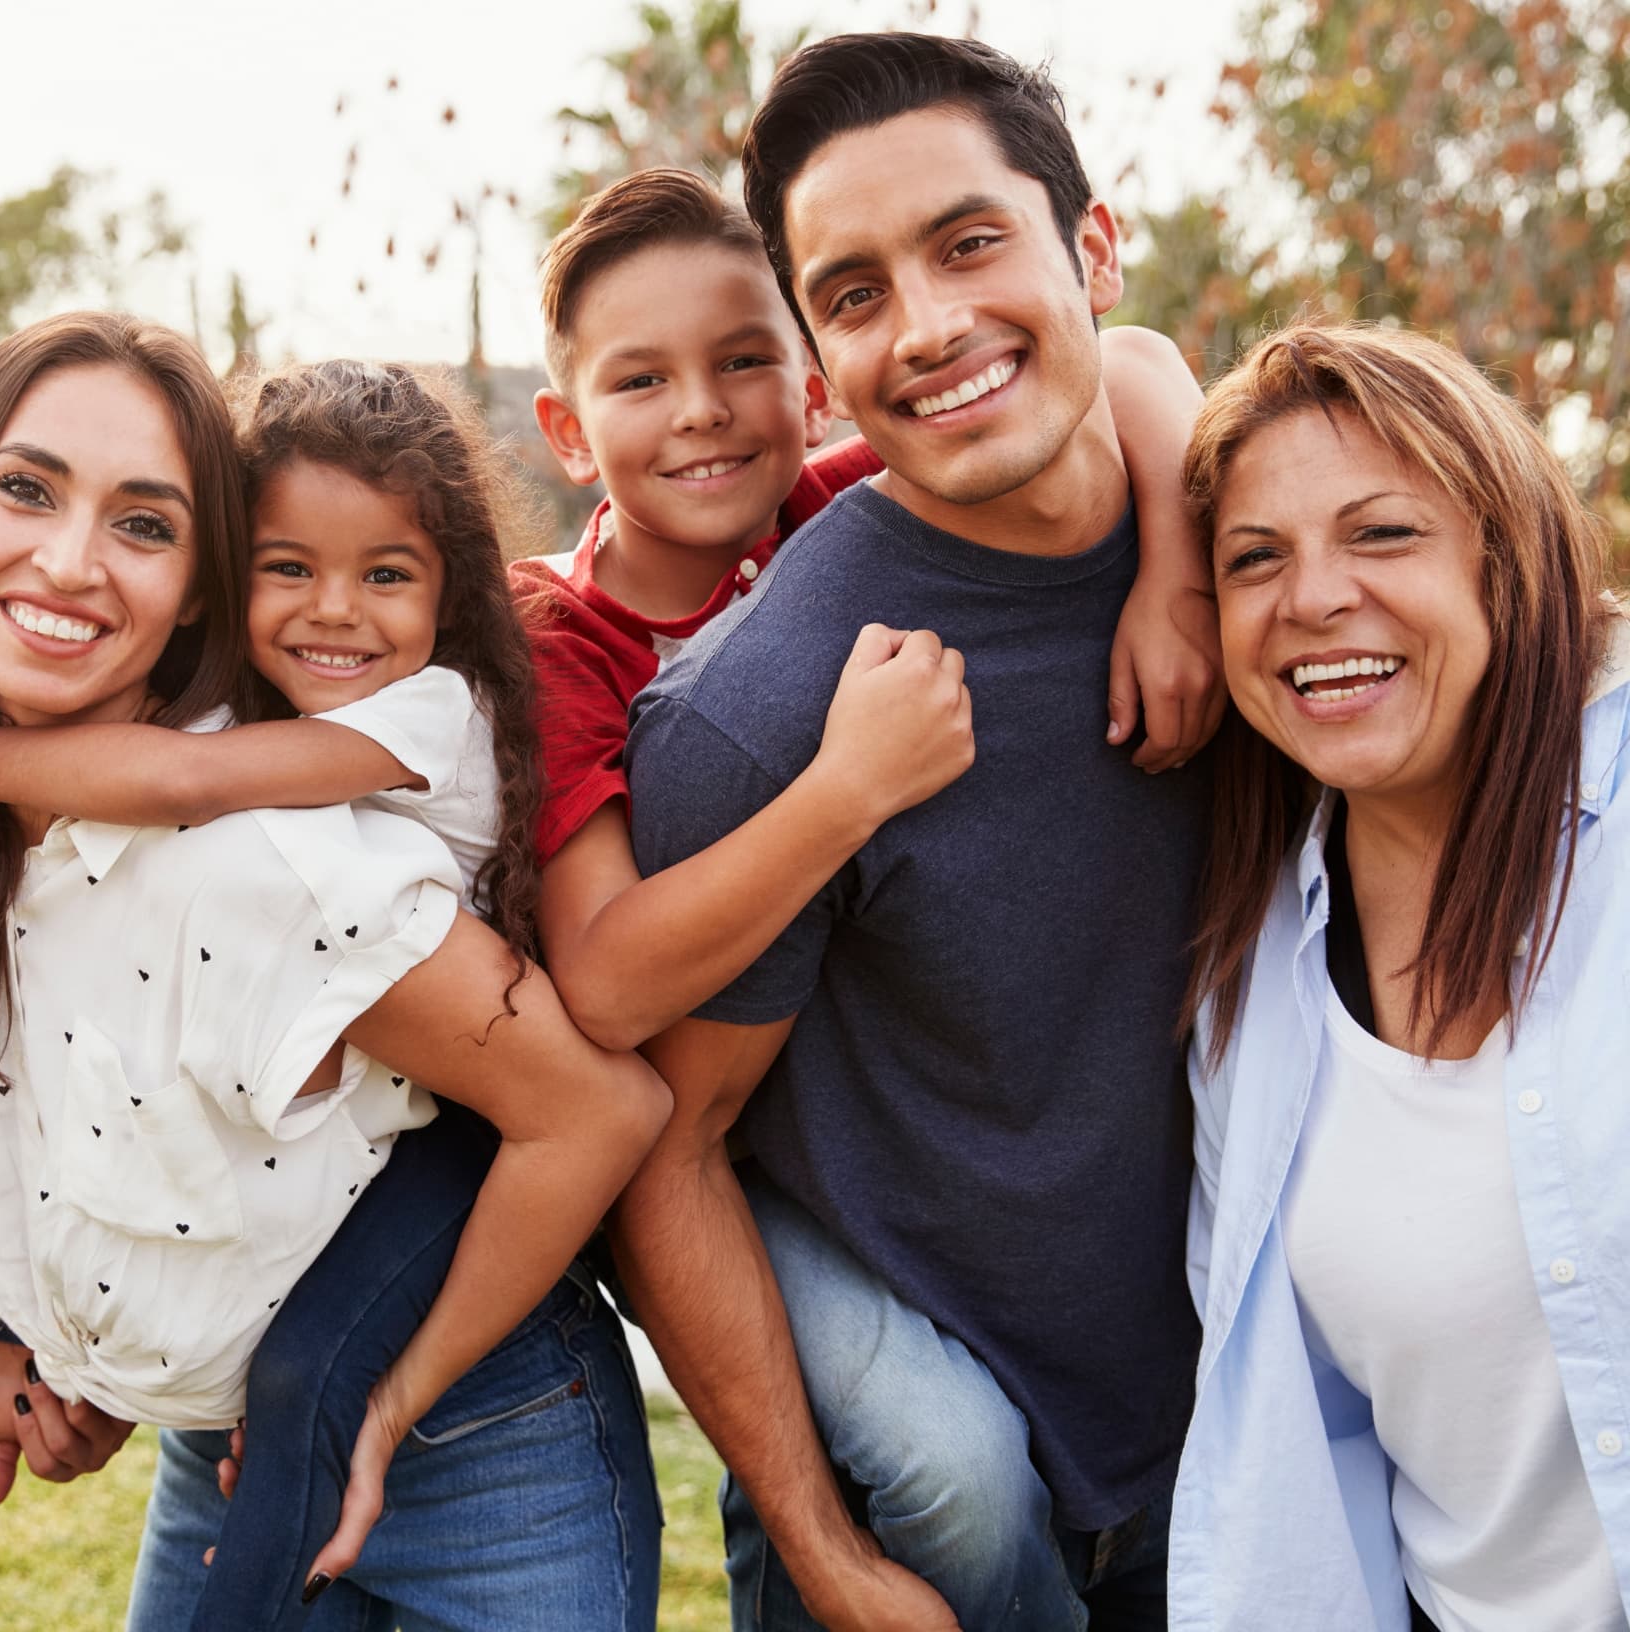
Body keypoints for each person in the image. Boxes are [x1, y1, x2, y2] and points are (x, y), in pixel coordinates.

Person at [0, 333, 674, 1632]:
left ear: (194, 589)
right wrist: (75, 1373)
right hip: (230, 1423)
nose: (69, 559)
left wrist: (381, 1407)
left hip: (476, 1438)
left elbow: (598, 1109)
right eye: (26, 489)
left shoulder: (270, 862)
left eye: (143, 523)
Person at [614, 34, 1221, 1632]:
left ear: (1090, 249)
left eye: (969, 244)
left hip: (1241, 1467)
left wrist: (1187, 562)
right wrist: (824, 1546)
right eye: (859, 291)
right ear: (819, 356)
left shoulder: (1256, 563)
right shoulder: (767, 718)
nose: (932, 326)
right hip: (932, 1541)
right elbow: (671, 1151)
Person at [520, 167, 1219, 1055]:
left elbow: (1128, 356)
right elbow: (604, 986)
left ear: (816, 396)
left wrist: (1179, 579)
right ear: (571, 434)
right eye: (640, 382)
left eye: (742, 361)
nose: (701, 410)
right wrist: (851, 789)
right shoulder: (551, 633)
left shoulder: (837, 509)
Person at [1171, 322, 1630, 1632]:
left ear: (1500, 557)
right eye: (1255, 559)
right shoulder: (1243, 1009)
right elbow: (1310, 1456)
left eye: (1382, 535)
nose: (1312, 597)